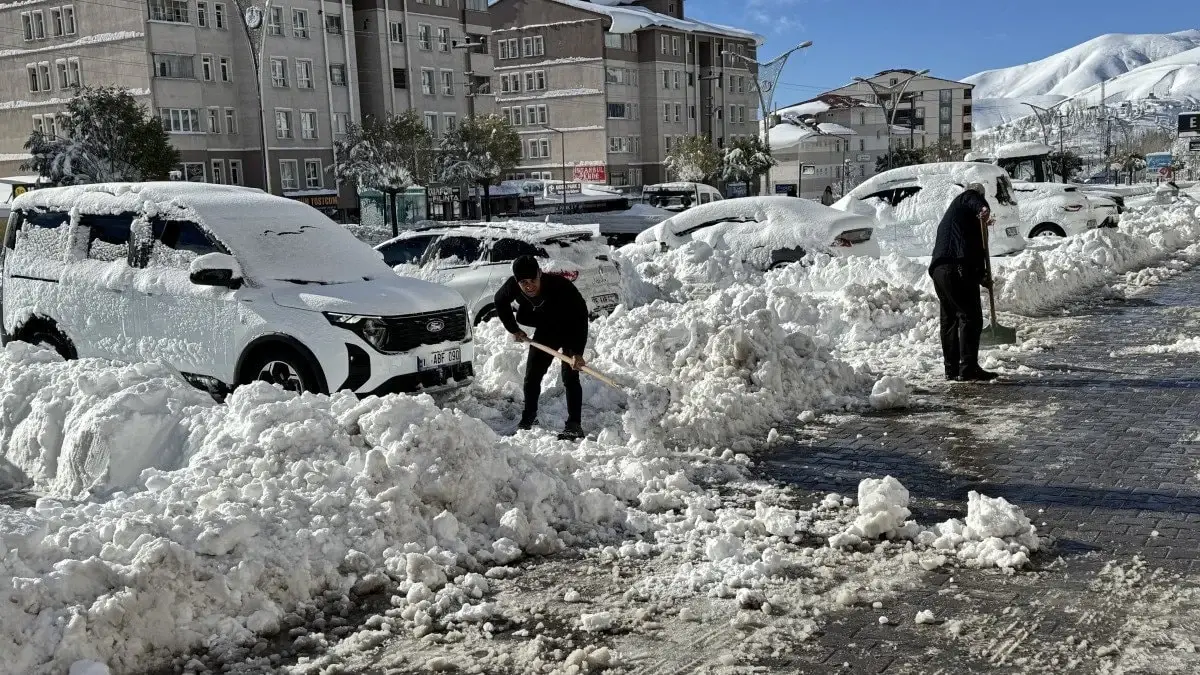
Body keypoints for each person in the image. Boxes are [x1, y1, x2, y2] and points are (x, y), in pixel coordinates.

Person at [494, 255, 590, 438]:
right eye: (524, 282)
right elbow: (500, 301)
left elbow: (580, 315)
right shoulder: (513, 285)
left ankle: (574, 425)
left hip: (571, 326)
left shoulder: (560, 286)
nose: (529, 286)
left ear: (540, 274)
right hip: (547, 329)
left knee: (570, 376)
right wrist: (513, 329)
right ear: (517, 281)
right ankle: (529, 417)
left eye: (533, 280)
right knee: (532, 375)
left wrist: (577, 352)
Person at [928, 183, 998, 382]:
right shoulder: (967, 198)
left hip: (940, 270)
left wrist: (981, 276)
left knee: (950, 319)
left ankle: (951, 369)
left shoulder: (960, 220)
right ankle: (968, 368)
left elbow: (971, 251)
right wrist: (982, 208)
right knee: (971, 317)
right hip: (956, 268)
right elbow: (971, 197)